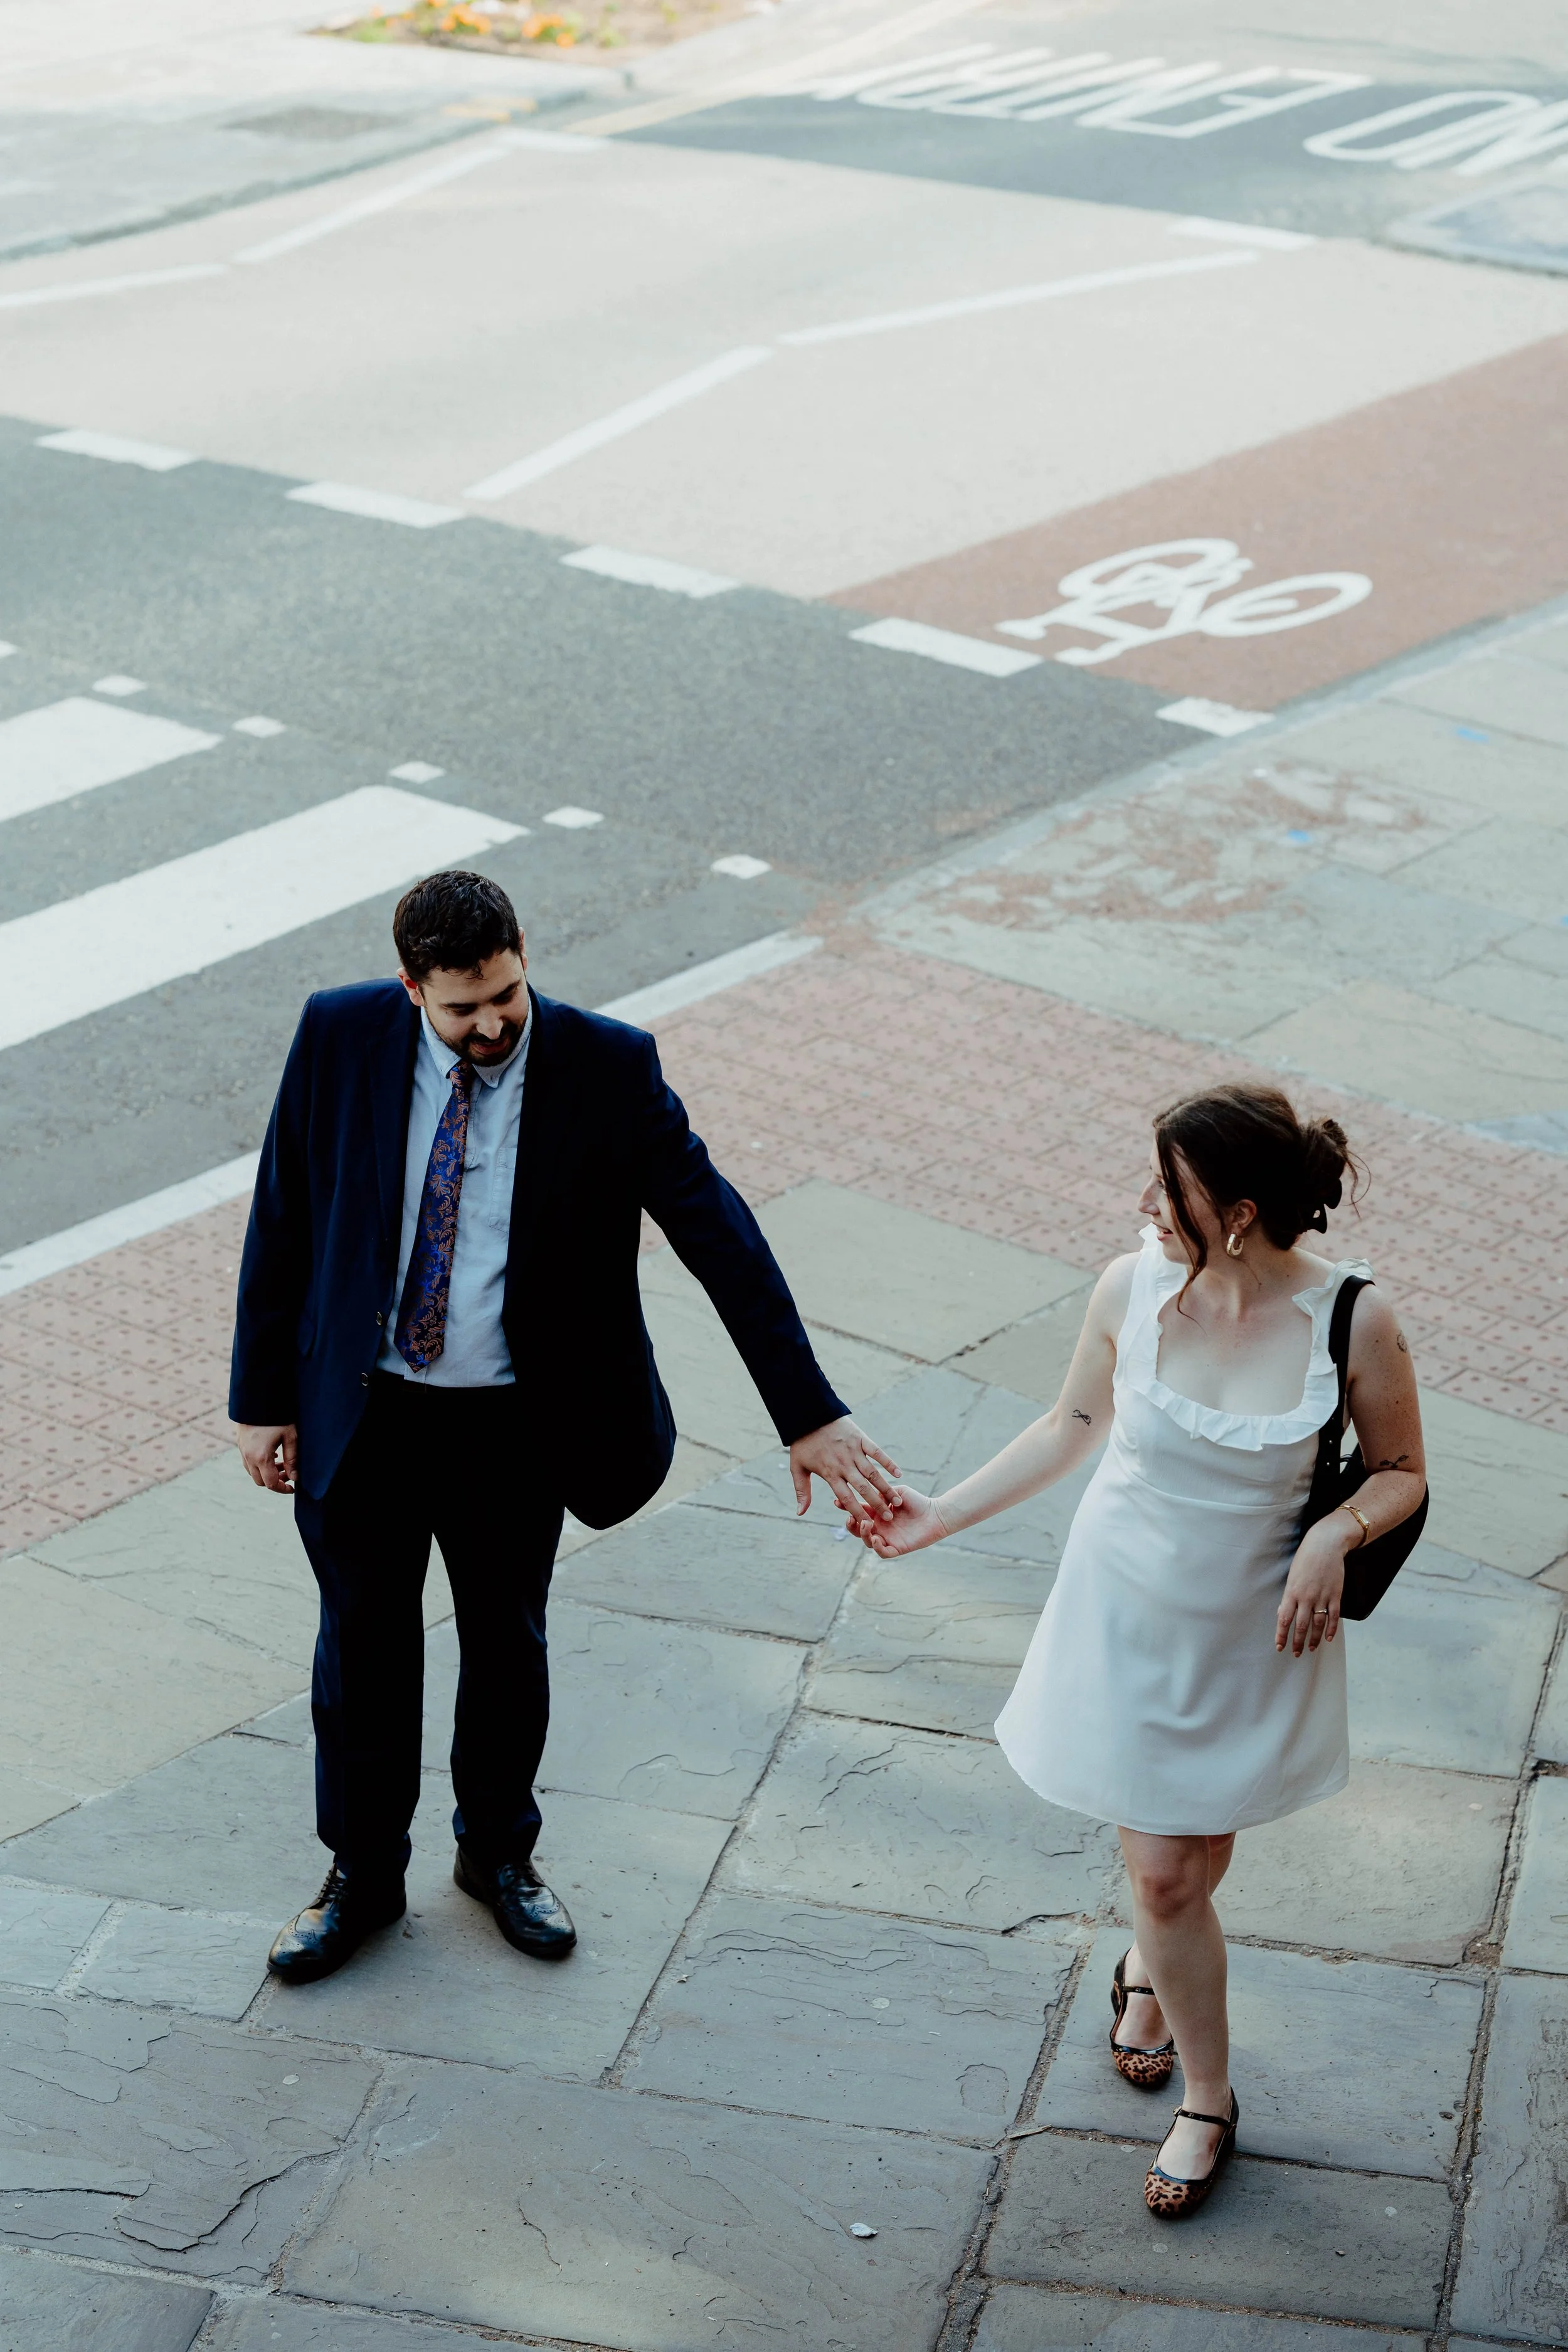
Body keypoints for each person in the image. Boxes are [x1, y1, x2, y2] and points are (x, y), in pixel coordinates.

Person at [231, 869, 898, 1986]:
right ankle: (359, 1874)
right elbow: (285, 1206)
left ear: (523, 953)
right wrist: (261, 1394)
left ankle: (497, 1856)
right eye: (463, 1007)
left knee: (505, 1643)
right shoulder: (338, 1032)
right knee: (362, 1647)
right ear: (410, 989)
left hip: (513, 1424)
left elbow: (719, 1234)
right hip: (366, 1410)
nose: (493, 1022)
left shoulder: (607, 1065)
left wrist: (808, 1410)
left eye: (506, 992)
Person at [850, 1084, 1424, 2217]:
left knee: (1198, 1858)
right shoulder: (1131, 1282)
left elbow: (1404, 1470)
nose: (1146, 1204)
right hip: (1122, 1615)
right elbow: (1072, 1425)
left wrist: (1331, 1533)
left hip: (1251, 1633)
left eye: (1172, 1189)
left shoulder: (1355, 1316)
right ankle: (1209, 2101)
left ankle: (1149, 1969)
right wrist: (938, 1513)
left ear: (1243, 1210)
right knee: (1166, 1870)